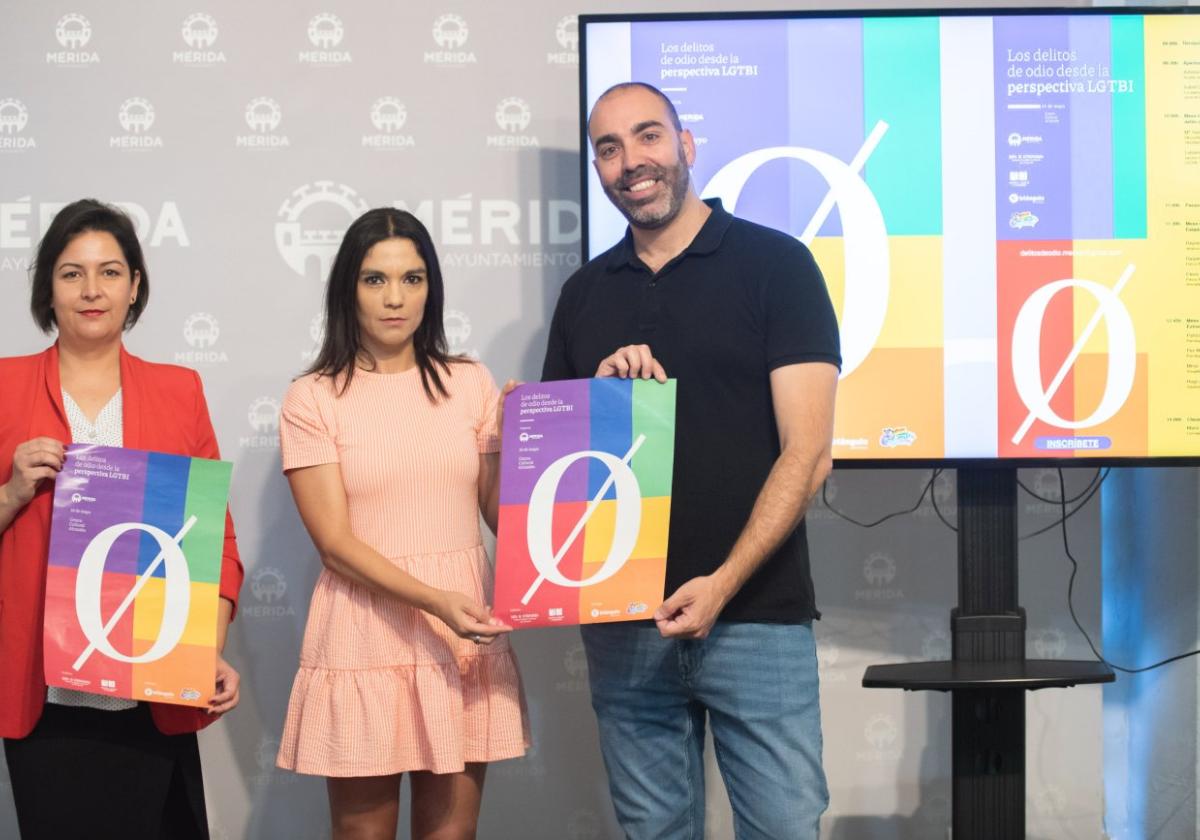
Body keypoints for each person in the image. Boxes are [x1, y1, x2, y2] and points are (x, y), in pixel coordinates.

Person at [542, 82, 841, 839]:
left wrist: (723, 585)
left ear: (686, 145)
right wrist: (599, 402)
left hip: (755, 619)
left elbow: (807, 456)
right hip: (624, 626)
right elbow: (561, 481)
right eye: (607, 148)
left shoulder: (777, 265)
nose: (629, 162)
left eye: (647, 137)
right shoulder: (583, 295)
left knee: (784, 830)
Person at [275, 207, 529, 840]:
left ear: (431, 289)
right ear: (347, 290)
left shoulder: (470, 384)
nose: (395, 298)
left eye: (412, 279)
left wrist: (526, 439)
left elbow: (502, 515)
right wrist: (435, 601)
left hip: (459, 635)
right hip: (365, 635)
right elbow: (334, 545)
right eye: (375, 280)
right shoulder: (313, 397)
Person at [0, 199, 244, 839]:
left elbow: (215, 540)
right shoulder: (4, 386)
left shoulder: (178, 390)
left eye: (110, 272)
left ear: (135, 286)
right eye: (71, 272)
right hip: (45, 695)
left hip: (152, 686)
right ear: (46, 287)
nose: (91, 290)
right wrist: (11, 493)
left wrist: (205, 649)